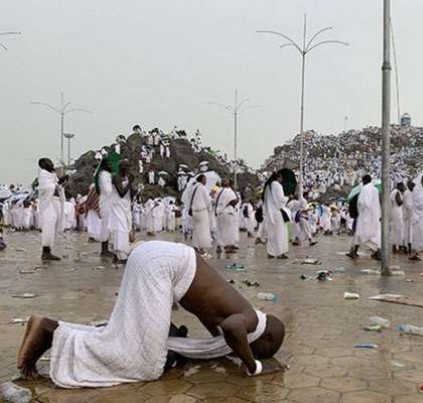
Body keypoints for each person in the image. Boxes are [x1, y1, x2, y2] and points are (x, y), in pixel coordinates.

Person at [16, 241, 286, 386]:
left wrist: (221, 351)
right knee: (145, 363)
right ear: (267, 337)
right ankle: (51, 332)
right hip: (163, 266)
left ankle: (50, 329)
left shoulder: (236, 310)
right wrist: (254, 367)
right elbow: (232, 330)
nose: (250, 352)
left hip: (155, 256)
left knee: (125, 334)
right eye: (260, 350)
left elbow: (221, 331)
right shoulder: (249, 317)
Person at [37, 158, 67, 261]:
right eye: (49, 162)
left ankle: (48, 251)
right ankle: (45, 252)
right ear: (44, 164)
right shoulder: (43, 174)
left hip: (54, 201)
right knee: (48, 224)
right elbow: (46, 187)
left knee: (53, 224)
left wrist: (62, 182)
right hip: (46, 203)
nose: (52, 164)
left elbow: (57, 187)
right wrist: (58, 183)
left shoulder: (53, 174)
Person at [347, 175, 381, 260]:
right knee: (364, 234)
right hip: (374, 215)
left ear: (365, 180)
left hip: (365, 215)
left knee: (365, 235)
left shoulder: (365, 189)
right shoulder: (375, 190)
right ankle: (354, 251)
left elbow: (364, 203)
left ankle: (377, 251)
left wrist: (358, 209)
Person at [108, 160, 134, 264]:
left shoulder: (126, 178)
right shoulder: (116, 177)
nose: (128, 168)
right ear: (121, 167)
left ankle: (118, 255)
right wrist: (130, 182)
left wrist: (134, 189)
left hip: (125, 206)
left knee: (126, 229)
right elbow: (121, 193)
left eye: (129, 166)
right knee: (120, 229)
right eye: (126, 166)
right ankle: (120, 255)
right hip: (117, 207)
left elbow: (129, 193)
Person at [262, 172, 288, 259]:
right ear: (278, 177)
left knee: (272, 233)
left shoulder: (268, 186)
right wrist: (288, 198)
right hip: (277, 212)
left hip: (270, 212)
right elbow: (280, 200)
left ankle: (271, 252)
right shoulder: (277, 185)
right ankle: (280, 252)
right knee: (280, 233)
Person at [214, 179, 239, 254]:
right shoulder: (229, 191)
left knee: (220, 230)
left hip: (219, 212)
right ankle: (227, 247)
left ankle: (219, 246)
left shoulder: (217, 191)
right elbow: (234, 201)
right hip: (228, 212)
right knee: (228, 230)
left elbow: (213, 198)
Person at [190, 174, 213, 256]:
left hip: (194, 211)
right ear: (202, 179)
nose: (206, 181)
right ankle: (201, 248)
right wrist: (211, 196)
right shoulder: (202, 188)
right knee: (203, 230)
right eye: (205, 179)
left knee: (196, 230)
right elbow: (207, 200)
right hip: (201, 211)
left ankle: (195, 247)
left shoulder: (192, 187)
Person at [98, 159, 114, 259]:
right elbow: (108, 190)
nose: (111, 165)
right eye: (109, 164)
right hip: (106, 203)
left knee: (109, 226)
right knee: (106, 226)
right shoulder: (103, 175)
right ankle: (104, 249)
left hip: (110, 203)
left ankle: (107, 248)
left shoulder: (108, 175)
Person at [390, 182, 406, 254]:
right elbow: (399, 202)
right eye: (403, 186)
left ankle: (395, 246)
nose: (404, 188)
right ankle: (397, 246)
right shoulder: (397, 192)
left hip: (395, 210)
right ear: (399, 186)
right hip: (397, 211)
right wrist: (404, 200)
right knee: (398, 228)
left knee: (396, 229)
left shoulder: (394, 192)